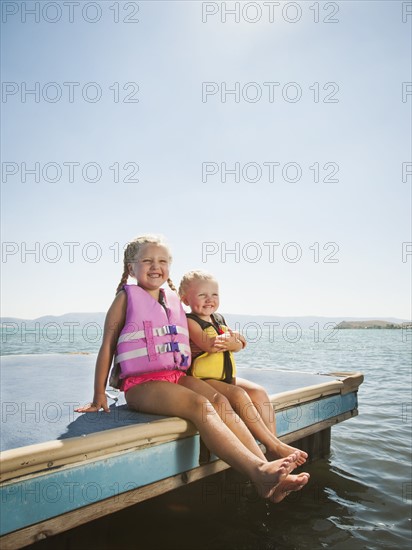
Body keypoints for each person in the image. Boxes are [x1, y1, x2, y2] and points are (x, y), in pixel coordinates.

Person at [75, 235, 309, 503]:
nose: (155, 266)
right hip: (142, 385)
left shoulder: (172, 300)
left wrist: (234, 342)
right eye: (147, 260)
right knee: (201, 406)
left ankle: (269, 475)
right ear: (131, 268)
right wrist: (99, 395)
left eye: (162, 261)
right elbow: (107, 346)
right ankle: (258, 472)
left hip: (176, 377)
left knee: (220, 399)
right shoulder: (125, 300)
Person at [179, 270, 308, 465]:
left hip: (224, 377)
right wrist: (233, 340)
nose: (209, 300)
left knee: (259, 392)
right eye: (202, 295)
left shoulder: (218, 319)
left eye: (214, 295)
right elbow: (209, 344)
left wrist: (236, 341)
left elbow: (241, 344)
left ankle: (273, 444)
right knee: (238, 394)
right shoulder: (190, 321)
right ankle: (272, 447)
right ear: (186, 299)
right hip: (202, 379)